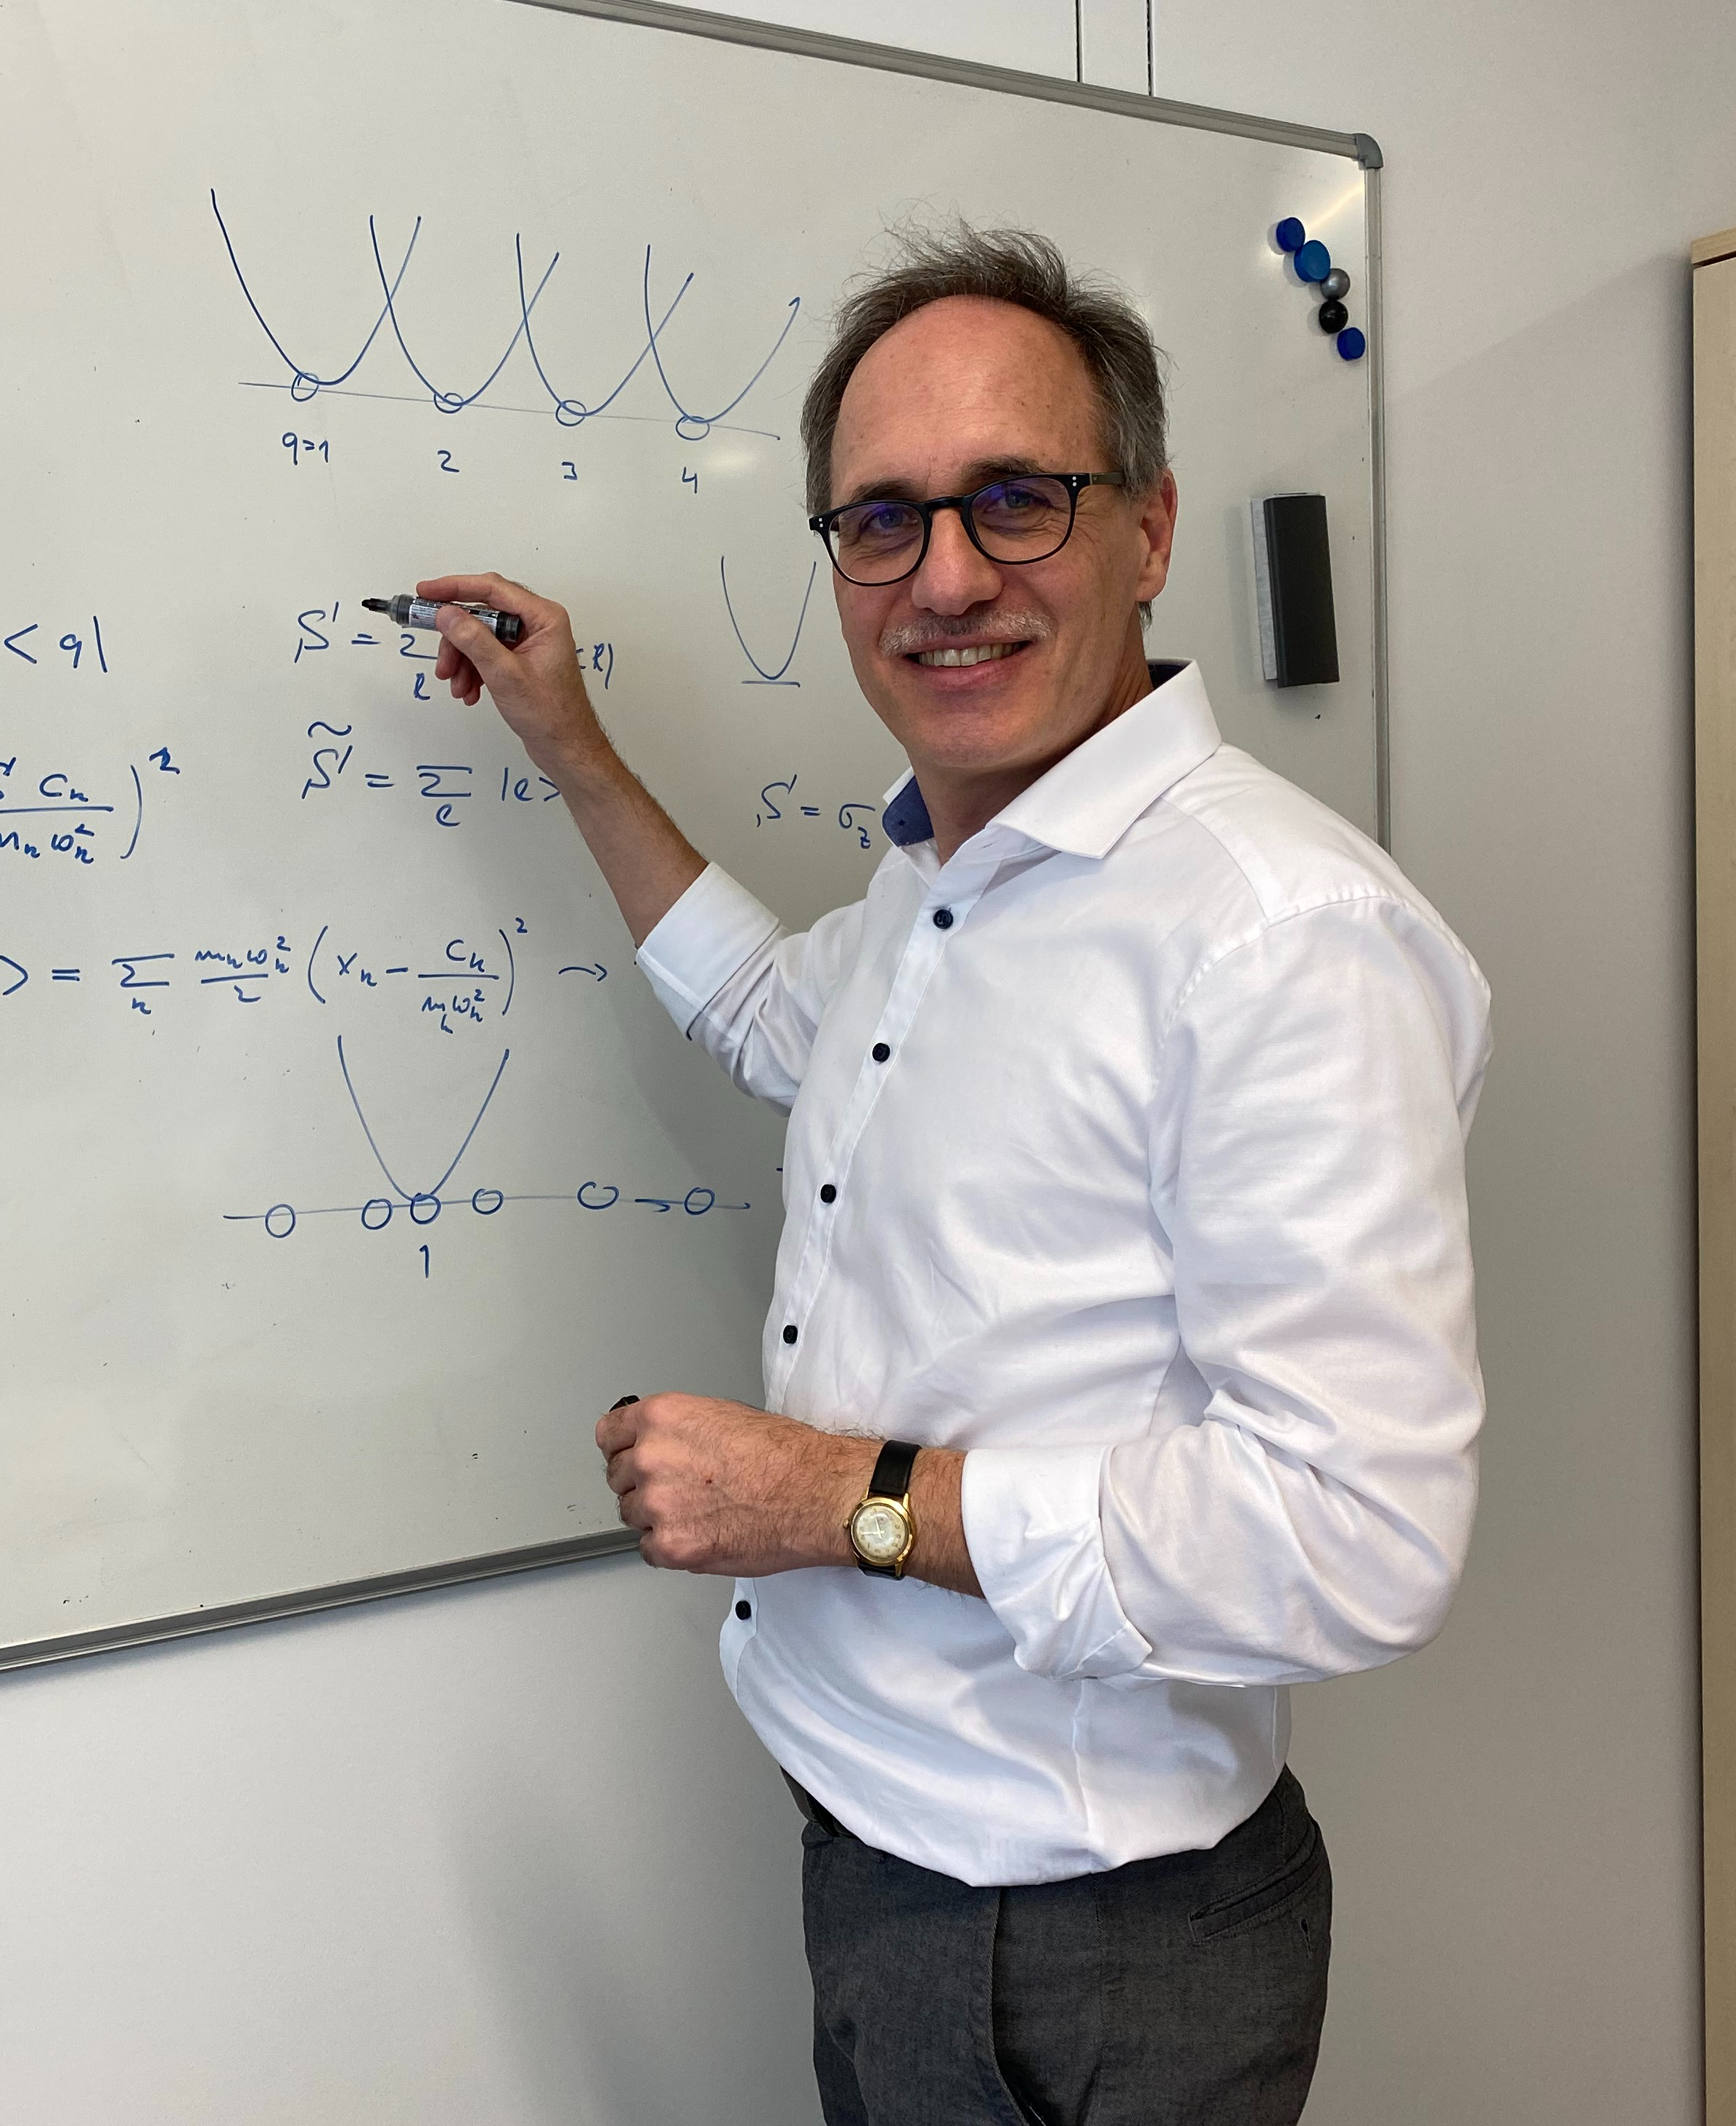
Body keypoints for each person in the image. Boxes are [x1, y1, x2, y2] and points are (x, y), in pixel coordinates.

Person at [414, 226, 1489, 2126]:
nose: (949, 577)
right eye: (884, 522)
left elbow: (1357, 1535)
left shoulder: (1275, 938)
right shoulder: (942, 878)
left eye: (1017, 501)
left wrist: (844, 1501)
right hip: (891, 1855)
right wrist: (573, 748)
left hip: (1083, 1940)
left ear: (1147, 531)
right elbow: (769, 1006)